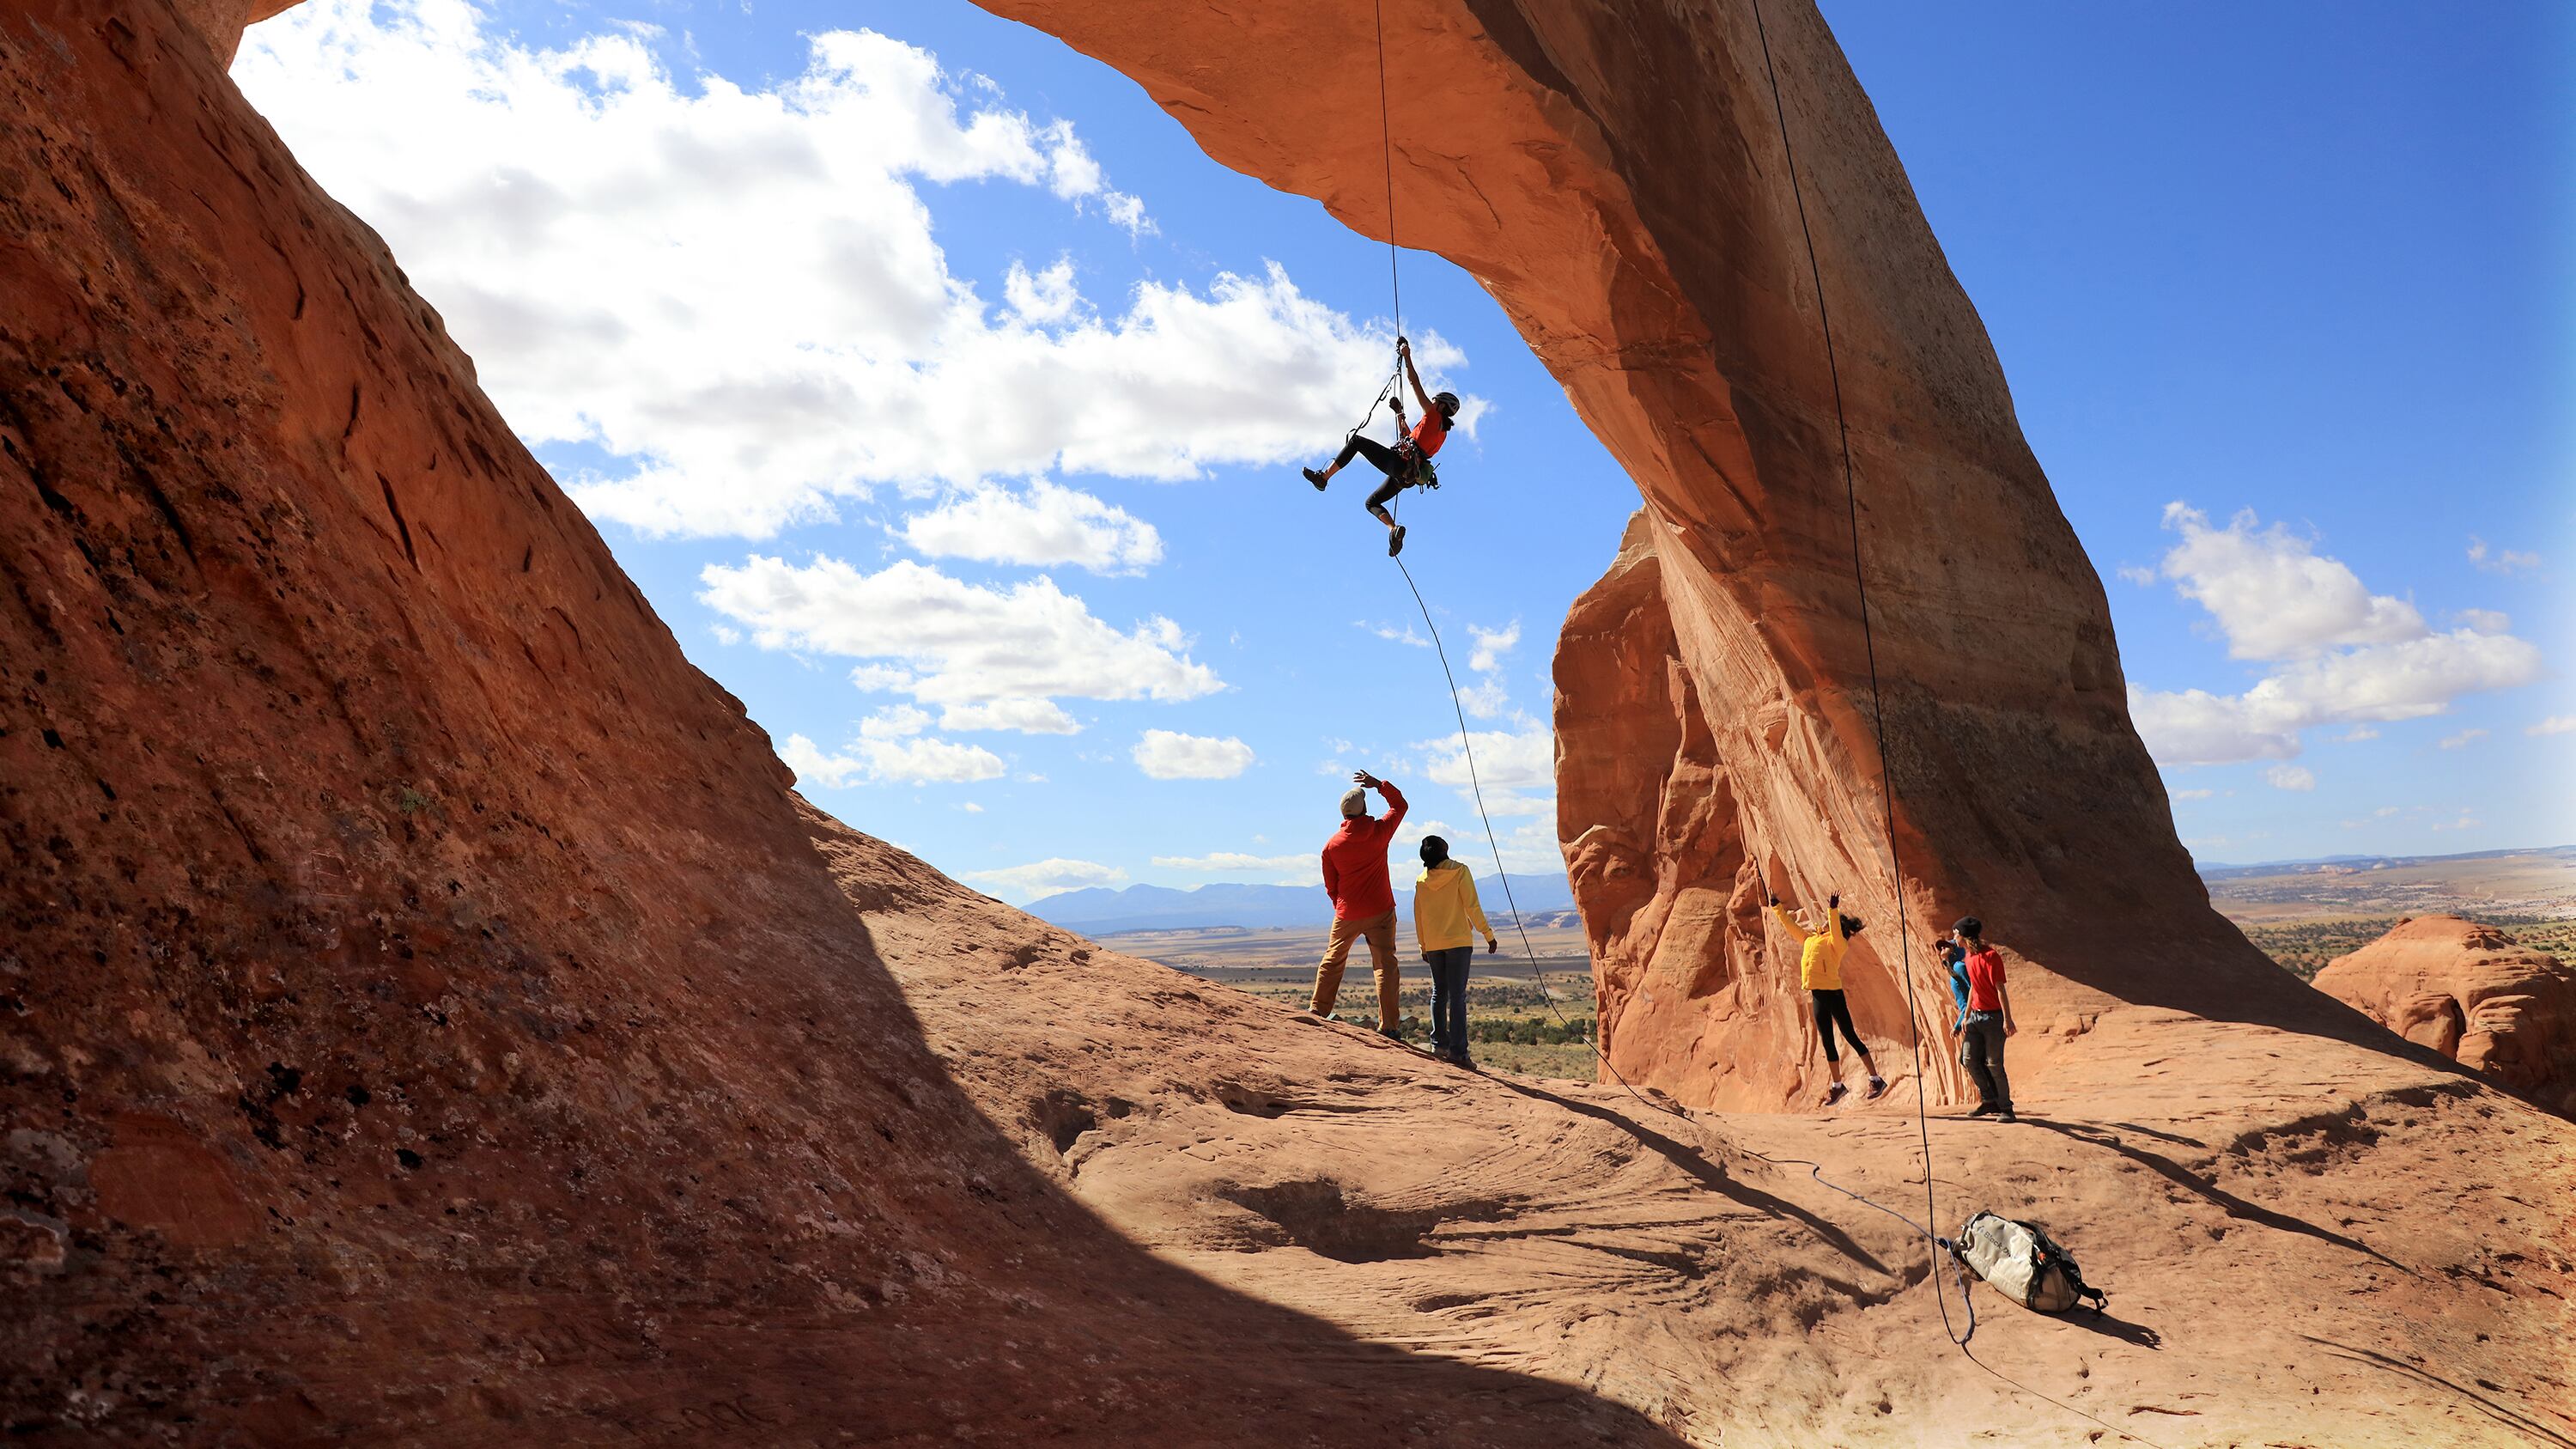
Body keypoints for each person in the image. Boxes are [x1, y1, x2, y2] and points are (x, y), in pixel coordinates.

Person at [1302, 336, 1460, 557]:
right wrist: (1399, 413)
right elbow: (1410, 439)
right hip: (1408, 477)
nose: (1431, 403)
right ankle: (1393, 529)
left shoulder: (1433, 415)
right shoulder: (1442, 434)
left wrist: (1407, 356)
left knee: (1356, 441)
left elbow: (1414, 382)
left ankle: (1324, 478)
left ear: (1441, 406)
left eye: (1435, 402)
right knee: (1371, 502)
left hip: (1399, 464)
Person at [1312, 770, 1409, 1035]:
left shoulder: (1332, 846)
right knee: (1385, 966)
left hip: (1348, 912)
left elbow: (1330, 884)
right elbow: (1400, 806)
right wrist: (1379, 785)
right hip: (1381, 909)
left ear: (1344, 815)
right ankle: (1389, 1026)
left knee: (1333, 958)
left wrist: (1341, 905)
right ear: (1364, 809)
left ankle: (1318, 1009)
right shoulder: (1379, 832)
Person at [1768, 888, 1886, 1105]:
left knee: (1850, 1035)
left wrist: (1833, 909)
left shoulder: (1838, 943)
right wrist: (1777, 907)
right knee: (1827, 1041)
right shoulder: (1810, 940)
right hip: (1818, 994)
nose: (1823, 923)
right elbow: (1790, 926)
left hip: (1833, 994)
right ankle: (1837, 1086)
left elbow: (1834, 928)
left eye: (1829, 923)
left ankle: (1875, 1079)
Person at [1412, 835, 1498, 1068]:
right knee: (1457, 997)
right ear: (1444, 850)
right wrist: (1488, 935)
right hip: (1458, 942)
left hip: (1434, 944)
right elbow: (1472, 906)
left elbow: (1419, 915)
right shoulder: (1460, 871)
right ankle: (1458, 1052)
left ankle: (1438, 1044)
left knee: (1439, 992)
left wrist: (1423, 945)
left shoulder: (1421, 880)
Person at [1953, 916, 2016, 1121]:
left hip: (1993, 1018)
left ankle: (2006, 1109)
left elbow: (2000, 989)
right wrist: (1967, 1016)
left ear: (1964, 935)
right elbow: (1973, 986)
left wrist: (2007, 1019)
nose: (1954, 937)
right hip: (1975, 1017)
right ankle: (1989, 1100)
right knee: (1968, 1059)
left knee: (1994, 1065)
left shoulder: (1991, 956)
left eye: (1956, 933)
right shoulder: (1969, 957)